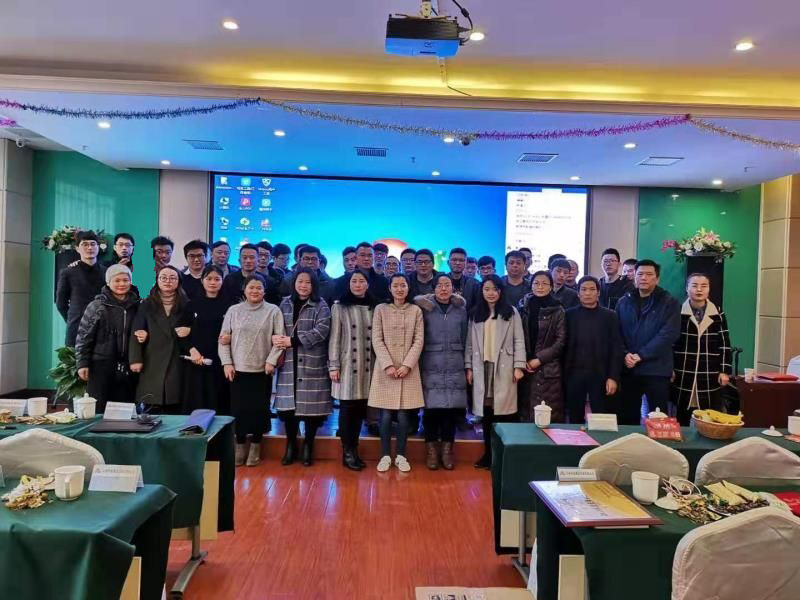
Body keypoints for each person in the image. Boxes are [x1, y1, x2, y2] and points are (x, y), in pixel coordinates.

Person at [219, 276, 285, 466]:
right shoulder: (234, 310)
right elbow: (223, 340)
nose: (255, 291)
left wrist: (271, 361)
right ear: (244, 289)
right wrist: (226, 363)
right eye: (251, 287)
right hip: (237, 370)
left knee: (259, 410)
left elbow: (280, 340)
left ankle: (256, 446)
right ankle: (239, 446)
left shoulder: (273, 311)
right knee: (238, 410)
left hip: (262, 369)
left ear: (264, 290)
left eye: (259, 287)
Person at [465, 275, 526, 469]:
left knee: (505, 414)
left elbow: (519, 340)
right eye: (487, 289)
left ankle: (505, 456)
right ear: (481, 291)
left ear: (501, 291)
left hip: (504, 367)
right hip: (482, 368)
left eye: (495, 289)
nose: (491, 293)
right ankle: (488, 455)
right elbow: (469, 344)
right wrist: (468, 367)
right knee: (487, 414)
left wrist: (519, 366)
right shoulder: (475, 313)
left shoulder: (511, 312)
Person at [274, 268, 332, 467]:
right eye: (300, 281)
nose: (303, 285)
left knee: (311, 412)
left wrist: (294, 341)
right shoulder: (284, 303)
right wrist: (278, 339)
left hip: (312, 361)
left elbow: (322, 331)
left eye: (308, 282)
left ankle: (308, 444)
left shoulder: (321, 305)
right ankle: (291, 444)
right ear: (294, 283)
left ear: (313, 285)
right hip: (289, 362)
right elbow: (276, 327)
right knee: (288, 410)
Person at [368, 273, 424, 473]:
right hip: (386, 369)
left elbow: (419, 340)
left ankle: (401, 455)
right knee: (384, 415)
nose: (400, 289)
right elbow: (377, 339)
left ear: (408, 288)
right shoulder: (381, 309)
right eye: (396, 285)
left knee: (403, 415)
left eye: (403, 285)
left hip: (408, 370)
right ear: (389, 288)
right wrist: (388, 365)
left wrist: (407, 365)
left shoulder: (416, 310)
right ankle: (384, 455)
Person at [615, 260, 681, 425]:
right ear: (634, 277)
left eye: (649, 274)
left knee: (658, 420)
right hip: (629, 368)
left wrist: (641, 355)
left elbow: (668, 334)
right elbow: (616, 332)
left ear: (657, 279)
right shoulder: (623, 301)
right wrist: (625, 354)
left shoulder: (669, 302)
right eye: (640, 274)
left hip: (657, 369)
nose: (643, 278)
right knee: (626, 418)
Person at [415, 275, 468, 470]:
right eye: (440, 286)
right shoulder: (424, 308)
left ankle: (447, 451)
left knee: (450, 411)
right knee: (431, 410)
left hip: (455, 363)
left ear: (453, 288)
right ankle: (431, 452)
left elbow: (465, 337)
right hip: (431, 363)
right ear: (433, 288)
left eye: (447, 285)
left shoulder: (460, 309)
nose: (444, 289)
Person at [75, 264, 140, 412]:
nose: (121, 284)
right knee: (99, 408)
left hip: (128, 365)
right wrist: (82, 363)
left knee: (125, 409)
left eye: (125, 280)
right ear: (108, 282)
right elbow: (84, 336)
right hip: (101, 364)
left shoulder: (137, 305)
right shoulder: (97, 306)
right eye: (117, 280)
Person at [328, 271, 376, 470]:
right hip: (347, 364)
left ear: (367, 284)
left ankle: (354, 449)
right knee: (347, 410)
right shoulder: (339, 307)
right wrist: (334, 365)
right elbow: (334, 338)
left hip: (369, 367)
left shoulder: (375, 307)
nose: (357, 284)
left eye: (361, 281)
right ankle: (347, 451)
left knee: (360, 410)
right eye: (354, 281)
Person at [129, 265, 192, 413]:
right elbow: (136, 331)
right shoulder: (147, 304)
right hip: (152, 358)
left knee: (176, 401)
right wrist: (135, 359)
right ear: (157, 280)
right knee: (152, 402)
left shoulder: (187, 304)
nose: (168, 281)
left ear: (179, 281)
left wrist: (191, 330)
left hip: (178, 358)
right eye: (163, 278)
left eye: (172, 278)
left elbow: (196, 328)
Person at [672, 273, 732, 425]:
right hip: (683, 370)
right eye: (694, 286)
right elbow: (671, 343)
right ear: (687, 288)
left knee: (710, 414)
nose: (699, 290)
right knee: (681, 412)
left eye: (704, 286)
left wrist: (724, 371)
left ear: (709, 289)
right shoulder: (678, 311)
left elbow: (724, 343)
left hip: (709, 370)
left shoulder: (717, 312)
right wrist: (670, 368)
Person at [564, 276, 623, 423]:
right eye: (583, 289)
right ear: (578, 293)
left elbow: (616, 348)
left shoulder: (610, 316)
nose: (588, 293)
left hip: (600, 374)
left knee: (601, 418)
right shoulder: (568, 315)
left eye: (592, 289)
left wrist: (613, 377)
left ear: (598, 293)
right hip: (574, 373)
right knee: (574, 418)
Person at [183, 265, 235, 415]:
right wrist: (191, 350)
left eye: (217, 279)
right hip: (197, 360)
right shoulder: (192, 304)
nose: (213, 282)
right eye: (209, 278)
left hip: (223, 361)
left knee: (221, 402)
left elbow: (240, 332)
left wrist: (231, 337)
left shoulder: (231, 306)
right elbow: (180, 333)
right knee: (198, 401)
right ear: (202, 280)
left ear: (222, 281)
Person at [517, 271, 566, 423]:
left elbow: (561, 341)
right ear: (531, 285)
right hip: (524, 366)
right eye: (536, 283)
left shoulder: (557, 309)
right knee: (525, 414)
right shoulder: (522, 307)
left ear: (551, 287)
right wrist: (523, 359)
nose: (540, 287)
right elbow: (517, 336)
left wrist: (539, 359)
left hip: (548, 367)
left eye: (544, 283)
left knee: (547, 416)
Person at [56, 230, 107, 346]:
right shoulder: (68, 273)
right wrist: (72, 320)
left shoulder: (107, 272)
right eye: (85, 244)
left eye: (93, 244)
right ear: (77, 248)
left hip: (103, 329)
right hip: (76, 329)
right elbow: (61, 304)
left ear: (98, 247)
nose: (90, 248)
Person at [447, 247, 480, 312]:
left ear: (465, 263)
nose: (457, 263)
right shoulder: (439, 281)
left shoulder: (475, 284)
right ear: (448, 262)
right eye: (454, 260)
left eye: (461, 260)